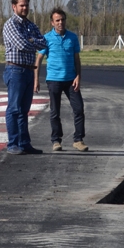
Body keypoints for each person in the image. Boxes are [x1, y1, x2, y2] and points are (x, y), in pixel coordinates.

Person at [35, 8, 88, 152]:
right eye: (57, 20)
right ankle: (56, 141)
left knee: (78, 109)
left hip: (71, 80)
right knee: (55, 112)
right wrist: (36, 80)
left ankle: (78, 140)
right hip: (54, 80)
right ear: (52, 22)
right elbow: (39, 59)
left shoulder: (72, 37)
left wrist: (78, 76)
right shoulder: (46, 38)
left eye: (62, 19)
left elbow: (77, 58)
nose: (60, 22)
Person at [2, 0, 48, 154]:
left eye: (26, 5)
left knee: (24, 110)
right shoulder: (11, 25)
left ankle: (24, 143)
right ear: (14, 6)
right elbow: (21, 44)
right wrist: (32, 42)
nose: (25, 8)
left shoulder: (30, 25)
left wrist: (32, 41)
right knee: (14, 109)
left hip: (29, 71)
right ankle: (12, 144)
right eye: (21, 5)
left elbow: (44, 42)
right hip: (15, 70)